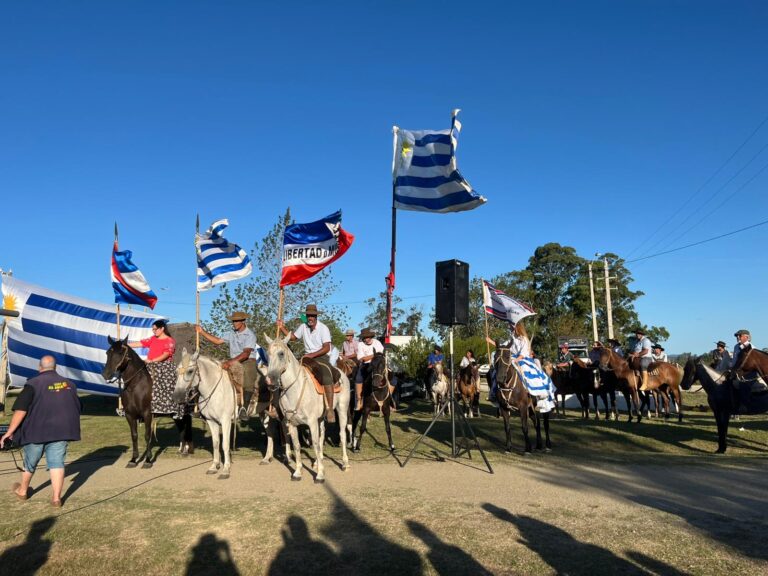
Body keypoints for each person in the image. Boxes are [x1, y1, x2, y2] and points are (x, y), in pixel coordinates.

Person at [1, 355, 81, 507]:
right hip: (61, 432)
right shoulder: (69, 384)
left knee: (30, 463)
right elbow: (77, 406)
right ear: (55, 367)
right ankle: (56, 499)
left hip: (35, 432)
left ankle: (23, 491)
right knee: (57, 464)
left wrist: (9, 432)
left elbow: (20, 410)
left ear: (40, 368)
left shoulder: (33, 384)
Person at [129, 319, 193, 447]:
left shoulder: (170, 341)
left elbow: (165, 354)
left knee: (166, 385)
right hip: (150, 365)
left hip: (164, 367)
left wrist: (152, 360)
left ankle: (171, 407)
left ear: (162, 328)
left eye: (155, 329)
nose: (153, 331)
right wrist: (125, 344)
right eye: (153, 329)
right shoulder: (153, 339)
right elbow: (141, 343)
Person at [197, 311, 265, 421]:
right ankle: (206, 407)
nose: (234, 323)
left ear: (243, 321)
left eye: (236, 321)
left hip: (247, 361)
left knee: (248, 379)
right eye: (233, 321)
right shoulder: (231, 333)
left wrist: (230, 362)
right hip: (233, 360)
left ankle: (244, 408)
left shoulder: (250, 335)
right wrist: (202, 332)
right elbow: (218, 341)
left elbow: (246, 354)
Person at [277, 304, 338, 423]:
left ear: (316, 316)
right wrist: (282, 326)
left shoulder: (323, 328)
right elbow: (293, 337)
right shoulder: (303, 326)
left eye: (312, 316)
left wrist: (311, 355)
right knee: (288, 374)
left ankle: (330, 409)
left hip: (321, 357)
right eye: (308, 315)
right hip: (306, 358)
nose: (310, 318)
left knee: (326, 375)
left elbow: (326, 348)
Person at [486, 322, 555, 412]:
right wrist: (490, 341)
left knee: (527, 371)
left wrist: (516, 360)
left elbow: (523, 353)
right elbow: (504, 347)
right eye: (510, 326)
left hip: (522, 359)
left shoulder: (524, 339)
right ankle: (493, 393)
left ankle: (534, 394)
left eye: (512, 326)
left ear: (517, 328)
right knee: (496, 371)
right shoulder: (512, 338)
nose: (510, 328)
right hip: (512, 358)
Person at [355, 327, 385, 410]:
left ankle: (389, 400)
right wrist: (374, 355)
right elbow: (362, 358)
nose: (365, 339)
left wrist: (373, 357)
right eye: (364, 337)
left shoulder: (377, 343)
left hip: (378, 364)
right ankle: (359, 400)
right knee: (358, 378)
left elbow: (381, 355)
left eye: (367, 337)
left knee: (392, 379)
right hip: (366, 365)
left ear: (370, 337)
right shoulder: (360, 344)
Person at [730, 329, 754, 412]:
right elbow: (734, 360)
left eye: (739, 335)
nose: (737, 337)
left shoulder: (751, 347)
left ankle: (744, 405)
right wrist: (731, 369)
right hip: (736, 370)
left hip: (749, 371)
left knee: (743, 384)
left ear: (746, 337)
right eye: (737, 336)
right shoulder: (736, 347)